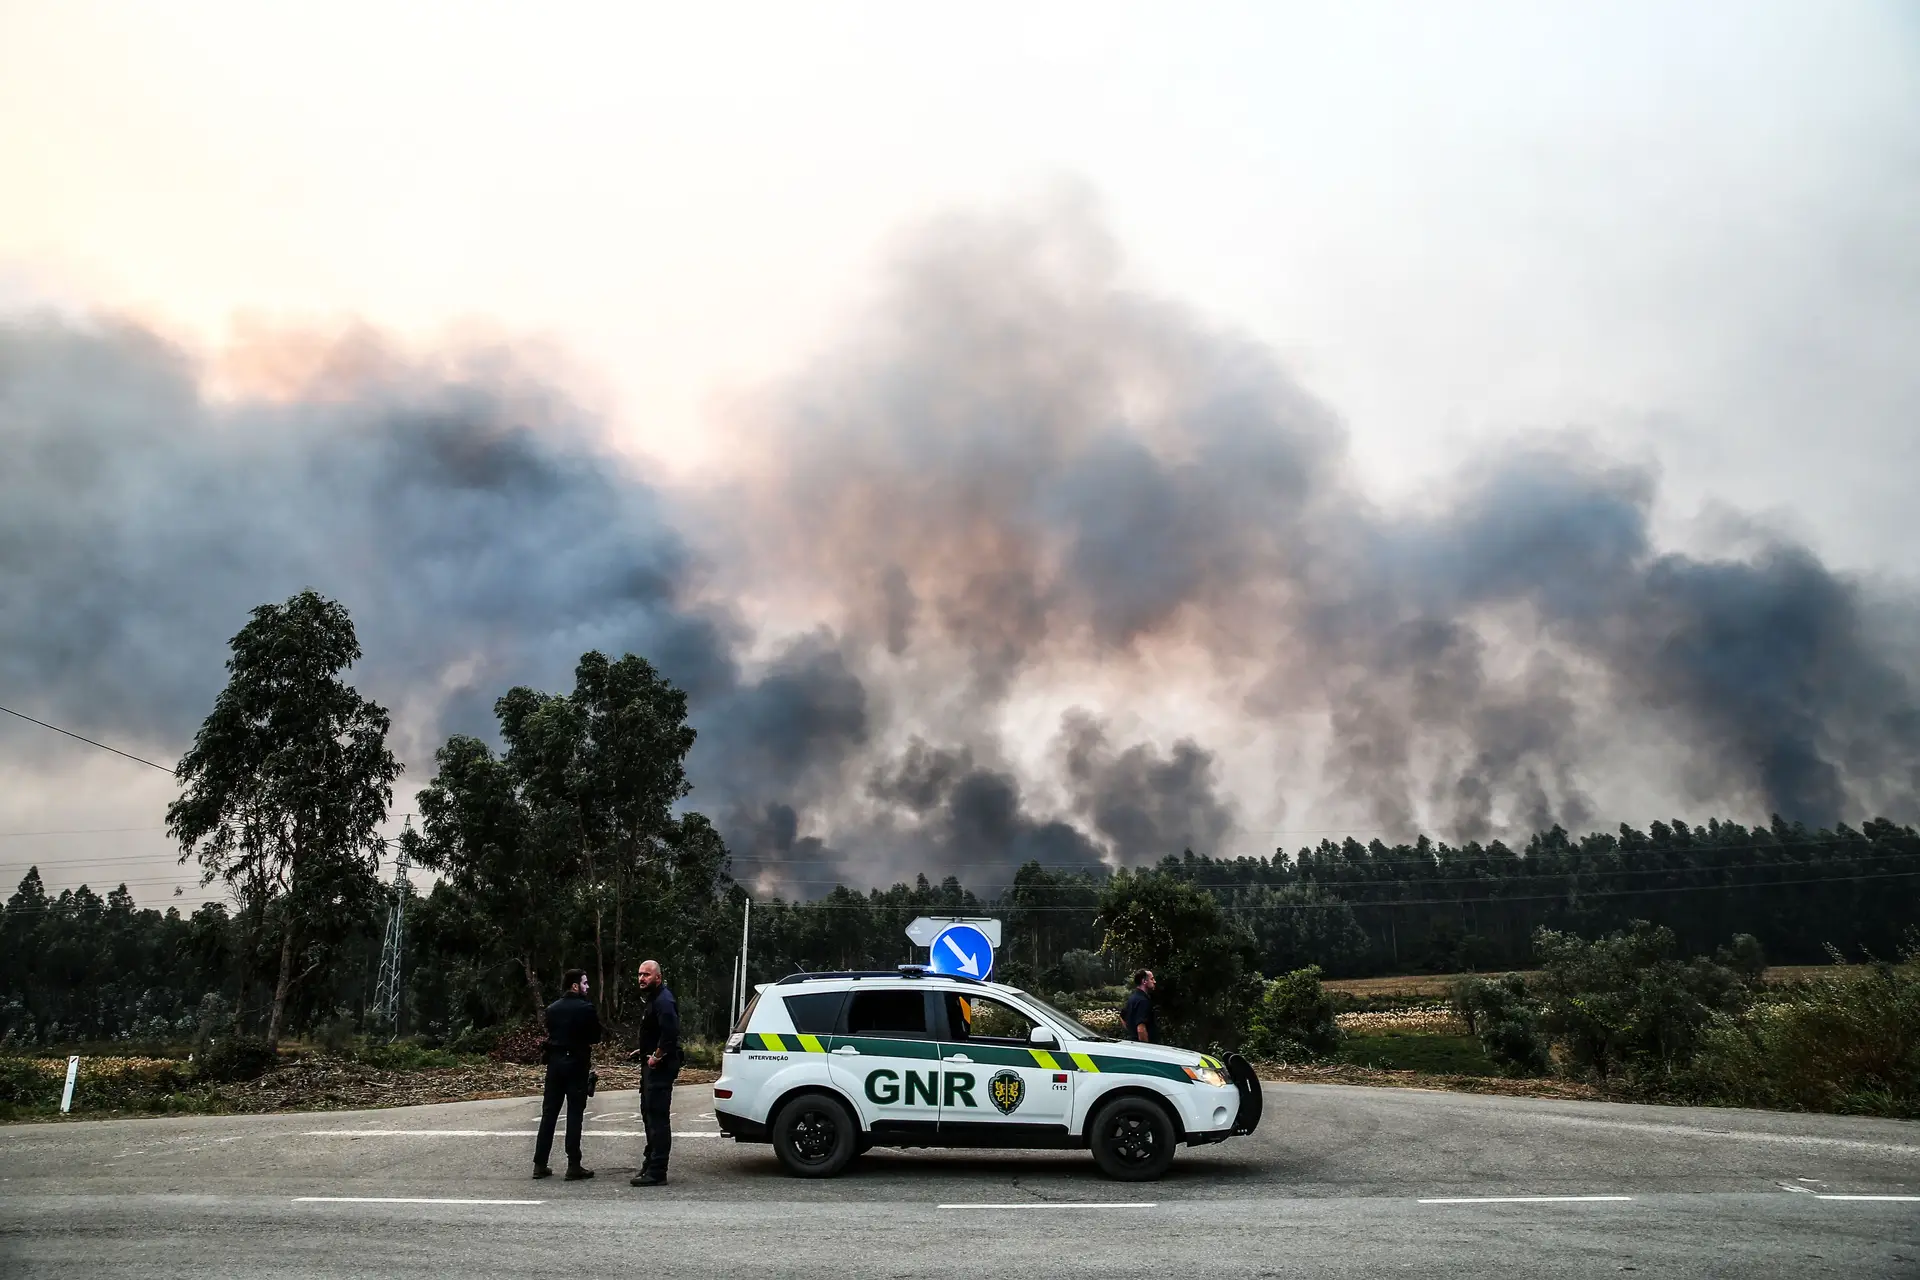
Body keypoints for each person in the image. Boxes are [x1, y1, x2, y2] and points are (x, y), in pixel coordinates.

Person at [534, 968, 602, 1181]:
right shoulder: (586, 1008)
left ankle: (540, 1163)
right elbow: (596, 1036)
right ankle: (573, 1164)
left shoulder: (552, 1009)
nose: (587, 987)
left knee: (549, 1114)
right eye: (584, 983)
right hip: (576, 1064)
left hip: (555, 1065)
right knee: (574, 1114)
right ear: (574, 986)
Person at [629, 958, 680, 1187]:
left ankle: (658, 1170)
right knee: (648, 1114)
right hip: (652, 1065)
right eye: (640, 974)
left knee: (657, 1118)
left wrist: (656, 1055)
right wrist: (645, 1049)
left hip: (660, 1068)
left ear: (657, 977)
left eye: (646, 975)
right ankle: (650, 1163)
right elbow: (658, 1031)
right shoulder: (653, 999)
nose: (641, 978)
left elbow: (670, 1033)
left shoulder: (664, 1000)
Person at [1122, 968, 1158, 1043]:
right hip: (1143, 1047)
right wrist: (1147, 1047)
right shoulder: (1143, 1001)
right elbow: (1141, 1029)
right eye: (1152, 979)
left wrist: (1132, 1032)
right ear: (1144, 981)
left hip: (1133, 1043)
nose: (1154, 982)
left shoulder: (1132, 998)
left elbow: (1122, 1017)